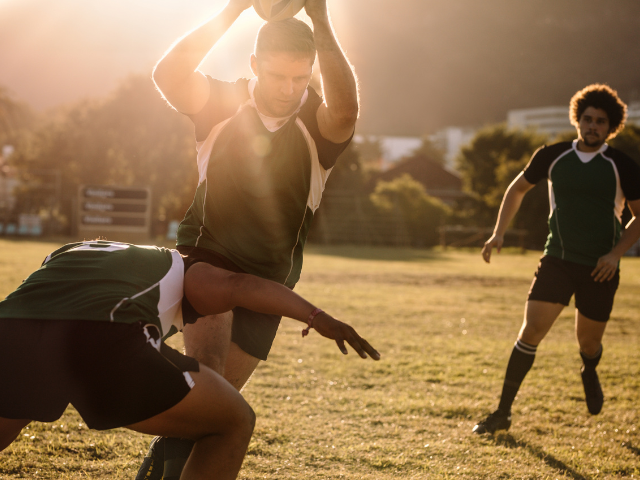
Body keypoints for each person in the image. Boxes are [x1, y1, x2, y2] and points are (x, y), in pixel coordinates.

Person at [138, 0, 359, 476]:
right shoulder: (219, 102)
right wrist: (236, 6)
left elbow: (347, 110)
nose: (288, 88)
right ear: (255, 64)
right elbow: (167, 74)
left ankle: (159, 468)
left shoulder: (318, 127)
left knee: (213, 411)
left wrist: (320, 17)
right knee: (209, 381)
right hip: (207, 259)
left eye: (300, 78)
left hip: (270, 281)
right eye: (278, 75)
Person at [0, 240, 379, 479]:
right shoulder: (179, 267)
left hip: (10, 327)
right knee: (232, 420)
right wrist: (316, 316)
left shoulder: (76, 249)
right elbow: (238, 287)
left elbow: (42, 310)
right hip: (103, 333)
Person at [473, 84, 640, 434]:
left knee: (589, 343)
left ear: (611, 128)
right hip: (558, 260)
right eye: (587, 119)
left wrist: (614, 254)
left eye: (601, 122)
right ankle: (502, 413)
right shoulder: (553, 155)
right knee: (531, 330)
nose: (593, 126)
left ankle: (589, 369)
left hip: (600, 268)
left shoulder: (621, 164)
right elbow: (516, 188)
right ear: (577, 120)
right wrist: (498, 231)